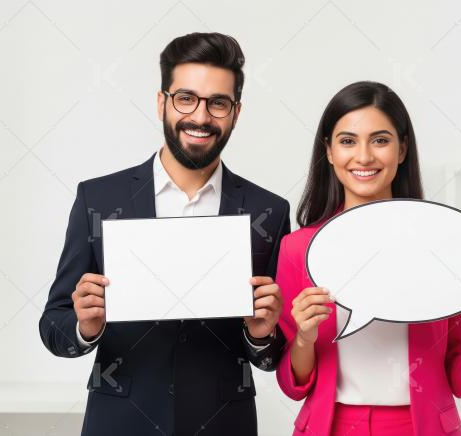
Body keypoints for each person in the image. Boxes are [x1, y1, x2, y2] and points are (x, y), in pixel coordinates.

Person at [39, 32, 290, 436]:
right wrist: (86, 327)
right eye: (186, 98)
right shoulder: (98, 199)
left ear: (236, 112)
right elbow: (53, 326)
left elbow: (275, 356)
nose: (201, 117)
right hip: (119, 421)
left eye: (218, 103)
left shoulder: (269, 211)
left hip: (225, 422)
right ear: (162, 102)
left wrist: (262, 335)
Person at [275, 81, 461, 435]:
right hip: (330, 426)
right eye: (348, 141)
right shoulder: (297, 249)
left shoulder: (445, 244)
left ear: (401, 150)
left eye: (380, 140)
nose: (364, 156)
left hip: (422, 427)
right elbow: (294, 385)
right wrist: (305, 339)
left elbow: (459, 381)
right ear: (329, 151)